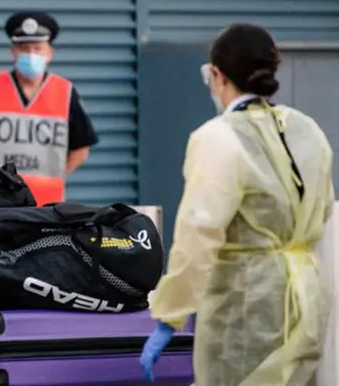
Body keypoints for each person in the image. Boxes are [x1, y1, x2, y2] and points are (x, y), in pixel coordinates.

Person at [140, 23, 334, 385]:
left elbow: (199, 235)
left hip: (248, 307)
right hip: (310, 301)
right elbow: (322, 212)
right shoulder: (307, 130)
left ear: (216, 74)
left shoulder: (218, 138)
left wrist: (170, 313)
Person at [0, 11, 98, 205]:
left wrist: (55, 176)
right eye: (24, 48)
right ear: (13, 52)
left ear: (50, 53)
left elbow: (81, 150)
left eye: (38, 48)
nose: (31, 54)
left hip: (47, 204)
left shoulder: (65, 92)